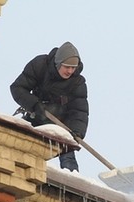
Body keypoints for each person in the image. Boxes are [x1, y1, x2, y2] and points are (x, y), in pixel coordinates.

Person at [10, 41, 88, 172]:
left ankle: (72, 182)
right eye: (66, 67)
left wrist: (76, 132)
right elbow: (17, 88)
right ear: (58, 63)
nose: (70, 71)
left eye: (73, 68)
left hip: (61, 124)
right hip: (36, 116)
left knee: (67, 154)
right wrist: (34, 104)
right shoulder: (40, 65)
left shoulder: (78, 82)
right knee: (18, 143)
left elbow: (79, 111)